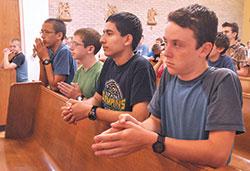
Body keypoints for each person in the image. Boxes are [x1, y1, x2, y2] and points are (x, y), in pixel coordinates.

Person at [92, 4, 245, 168]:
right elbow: (155, 122)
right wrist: (134, 128)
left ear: (204, 49)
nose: (166, 52)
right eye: (166, 42)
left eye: (177, 44)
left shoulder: (222, 80)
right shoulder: (170, 75)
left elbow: (218, 154)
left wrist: (152, 140)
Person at [61, 12, 156, 124]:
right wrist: (77, 107)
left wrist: (91, 111)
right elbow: (97, 99)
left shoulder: (141, 66)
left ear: (127, 39)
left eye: (109, 34)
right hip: (106, 130)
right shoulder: (109, 62)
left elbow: (138, 117)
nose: (102, 40)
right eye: (103, 33)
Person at [34, 18, 77, 94]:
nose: (43, 36)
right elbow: (43, 83)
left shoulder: (64, 51)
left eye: (47, 32)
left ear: (59, 35)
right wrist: (41, 59)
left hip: (66, 100)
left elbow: (55, 86)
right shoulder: (49, 51)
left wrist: (45, 58)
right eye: (42, 32)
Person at [57, 28, 103, 100]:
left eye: (76, 44)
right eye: (72, 43)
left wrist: (78, 97)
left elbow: (99, 106)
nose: (71, 47)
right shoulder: (80, 70)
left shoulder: (100, 71)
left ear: (90, 49)